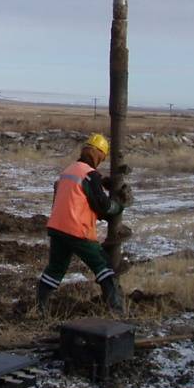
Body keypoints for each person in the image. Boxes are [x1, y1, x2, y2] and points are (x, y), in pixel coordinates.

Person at [37, 133, 131, 315]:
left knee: (55, 269)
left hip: (57, 228)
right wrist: (118, 207)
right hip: (77, 230)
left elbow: (78, 194)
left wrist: (101, 183)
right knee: (104, 266)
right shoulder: (90, 175)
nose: (101, 161)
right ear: (98, 154)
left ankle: (39, 308)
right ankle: (116, 310)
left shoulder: (70, 170)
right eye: (102, 157)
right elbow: (102, 204)